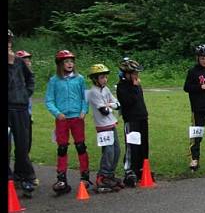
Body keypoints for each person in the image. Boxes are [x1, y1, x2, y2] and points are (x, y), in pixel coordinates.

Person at [45, 49, 90, 194]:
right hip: (62, 118)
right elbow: (49, 100)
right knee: (62, 148)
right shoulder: (54, 81)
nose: (70, 64)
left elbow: (85, 97)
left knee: (81, 146)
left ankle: (85, 176)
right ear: (60, 64)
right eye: (66, 62)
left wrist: (84, 110)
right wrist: (57, 113)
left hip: (77, 117)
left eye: (71, 61)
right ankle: (61, 178)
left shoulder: (80, 79)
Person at [8, 30, 37, 196]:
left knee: (22, 144)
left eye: (9, 41)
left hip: (20, 107)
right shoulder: (13, 63)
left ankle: (24, 177)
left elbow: (30, 78)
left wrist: (26, 94)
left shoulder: (19, 61)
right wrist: (10, 65)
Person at [86, 64, 124, 193]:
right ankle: (102, 176)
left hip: (112, 124)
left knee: (117, 151)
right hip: (102, 126)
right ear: (95, 79)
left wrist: (110, 105)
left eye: (105, 77)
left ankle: (110, 174)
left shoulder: (106, 89)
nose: (105, 80)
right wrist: (110, 106)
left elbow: (118, 104)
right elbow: (104, 111)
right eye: (102, 77)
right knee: (108, 152)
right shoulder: (93, 92)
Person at [117, 57, 150, 187]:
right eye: (134, 73)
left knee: (143, 145)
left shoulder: (137, 85)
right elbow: (128, 102)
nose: (137, 76)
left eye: (137, 73)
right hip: (131, 119)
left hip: (142, 117)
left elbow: (140, 101)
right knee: (132, 145)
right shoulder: (122, 87)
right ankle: (129, 170)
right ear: (127, 74)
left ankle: (142, 168)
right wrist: (135, 88)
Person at [15, 50, 35, 160]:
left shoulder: (29, 77)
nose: (27, 63)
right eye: (24, 61)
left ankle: (23, 168)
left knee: (27, 143)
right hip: (15, 114)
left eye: (28, 60)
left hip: (27, 114)